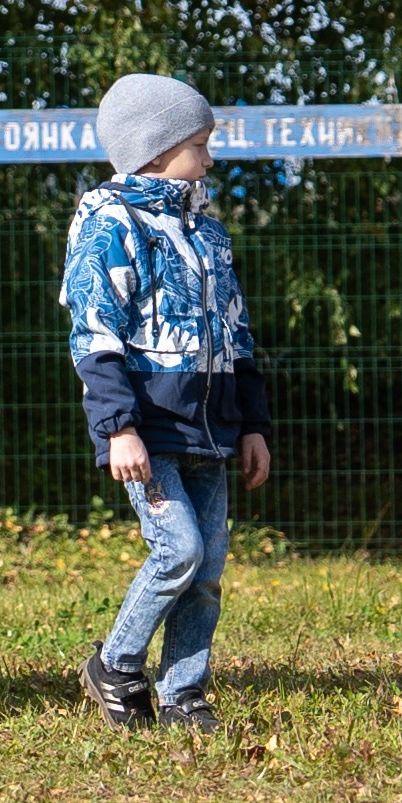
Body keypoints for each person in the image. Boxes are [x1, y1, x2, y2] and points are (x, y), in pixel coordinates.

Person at [63, 73, 273, 731]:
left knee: (206, 569)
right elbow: (94, 329)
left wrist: (253, 425)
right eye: (199, 144)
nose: (208, 159)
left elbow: (235, 333)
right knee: (176, 549)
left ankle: (185, 694)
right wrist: (117, 427)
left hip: (211, 428)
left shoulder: (206, 233)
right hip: (147, 428)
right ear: (156, 148)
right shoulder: (109, 222)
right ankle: (116, 665)